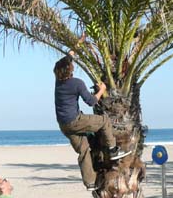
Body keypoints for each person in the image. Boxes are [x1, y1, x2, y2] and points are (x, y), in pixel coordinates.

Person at [54, 44, 131, 189]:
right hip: (75, 121)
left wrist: (78, 43)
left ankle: (90, 182)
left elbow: (68, 56)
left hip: (63, 125)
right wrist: (102, 89)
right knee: (104, 121)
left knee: (84, 150)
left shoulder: (59, 82)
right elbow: (91, 101)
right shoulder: (77, 83)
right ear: (70, 69)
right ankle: (113, 149)